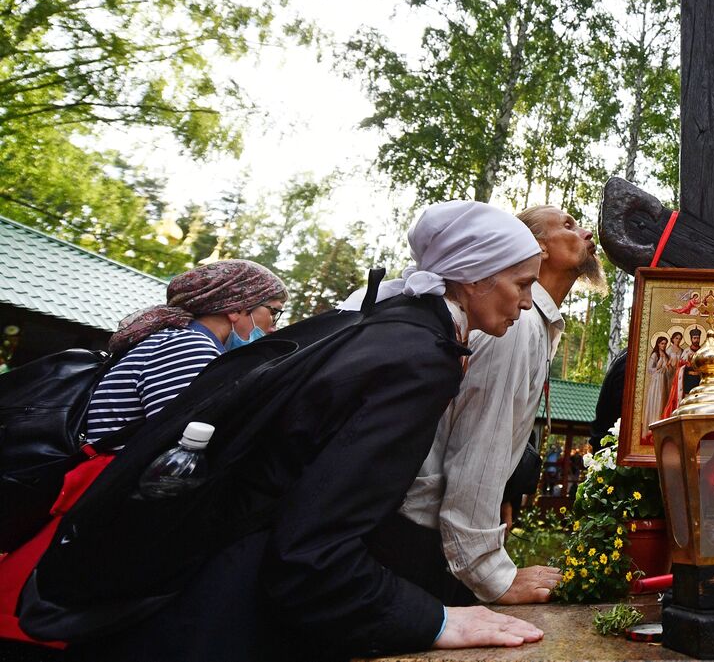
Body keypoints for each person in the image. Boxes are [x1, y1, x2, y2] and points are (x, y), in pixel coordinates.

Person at [70, 200, 548, 661]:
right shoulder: (421, 357)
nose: (527, 303)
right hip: (222, 606)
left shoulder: (385, 323)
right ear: (474, 276)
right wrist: (436, 620)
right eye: (522, 283)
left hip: (187, 570)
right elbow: (312, 554)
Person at [385, 206, 601, 608]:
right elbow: (478, 449)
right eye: (568, 225)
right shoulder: (513, 326)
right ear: (537, 246)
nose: (587, 233)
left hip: (429, 537)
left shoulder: (527, 321)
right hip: (421, 546)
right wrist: (492, 575)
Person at [85, 260, 287, 441]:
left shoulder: (178, 338)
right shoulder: (190, 346)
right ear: (236, 309)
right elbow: (180, 441)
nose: (273, 327)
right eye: (274, 312)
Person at [640, 335, 670, 443]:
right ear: (658, 344)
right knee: (656, 402)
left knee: (662, 402)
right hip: (657, 380)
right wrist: (658, 367)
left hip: (663, 380)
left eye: (665, 343)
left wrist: (667, 367)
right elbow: (649, 369)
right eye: (662, 343)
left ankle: (660, 428)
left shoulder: (666, 355)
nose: (664, 345)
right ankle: (652, 429)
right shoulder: (655, 354)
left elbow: (667, 368)